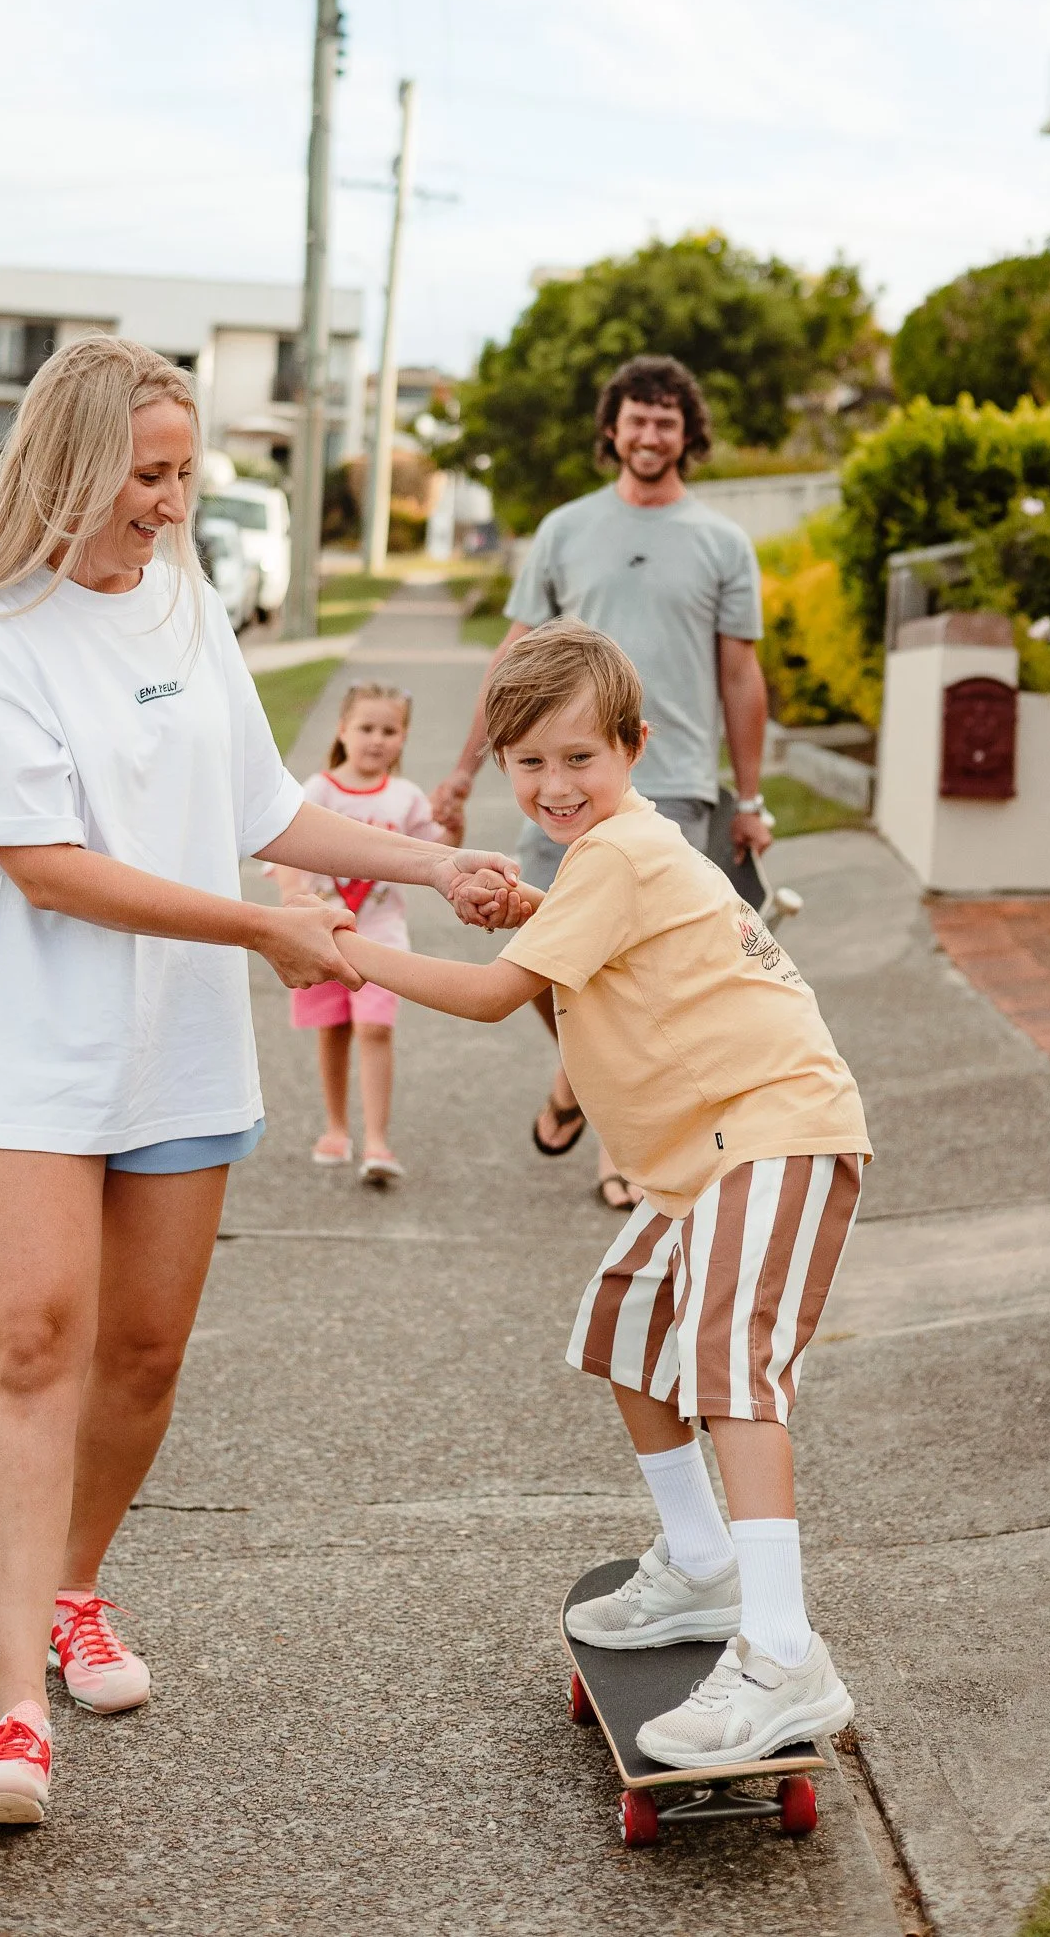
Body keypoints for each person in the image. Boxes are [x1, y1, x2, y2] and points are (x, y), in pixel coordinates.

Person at [0, 336, 516, 1828]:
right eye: (152, 474)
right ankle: (8, 1714)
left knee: (147, 1355)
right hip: (15, 1044)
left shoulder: (180, 600)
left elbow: (270, 808)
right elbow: (46, 871)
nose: (176, 505)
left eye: (187, 474)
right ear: (67, 465)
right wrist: (257, 924)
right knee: (37, 1341)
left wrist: (432, 861)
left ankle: (73, 1590)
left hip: (169, 1039)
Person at [341, 621, 869, 1765]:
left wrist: (347, 949)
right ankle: (701, 1566)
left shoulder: (621, 850)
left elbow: (490, 1002)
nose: (553, 784)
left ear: (632, 747)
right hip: (703, 1153)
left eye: (579, 757)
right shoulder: (609, 859)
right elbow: (605, 947)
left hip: (774, 1127)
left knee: (731, 1368)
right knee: (627, 1329)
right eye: (526, 762)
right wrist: (528, 909)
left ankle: (782, 1651)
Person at [432, 355, 774, 1211]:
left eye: (666, 420)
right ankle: (580, 1077)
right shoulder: (563, 530)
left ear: (685, 434)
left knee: (638, 976)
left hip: (677, 786)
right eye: (635, 417)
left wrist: (753, 798)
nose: (649, 433)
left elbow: (740, 677)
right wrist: (464, 770)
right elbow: (513, 662)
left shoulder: (721, 542)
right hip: (554, 787)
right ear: (611, 429)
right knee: (538, 953)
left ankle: (623, 1139)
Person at [271, 679, 450, 1186]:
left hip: (381, 939)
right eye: (366, 727)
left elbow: (437, 853)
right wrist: (292, 904)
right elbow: (286, 851)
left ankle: (377, 1140)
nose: (377, 739)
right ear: (342, 730)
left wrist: (451, 822)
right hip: (322, 936)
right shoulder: (319, 791)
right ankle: (335, 1126)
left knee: (375, 1027)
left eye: (390, 730)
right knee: (334, 1031)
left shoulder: (407, 797)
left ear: (404, 738)